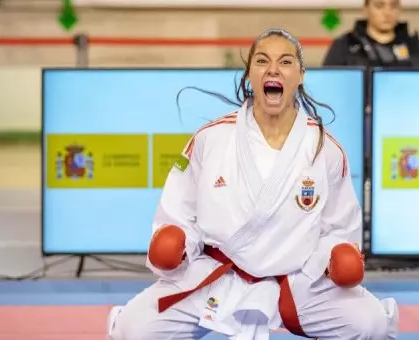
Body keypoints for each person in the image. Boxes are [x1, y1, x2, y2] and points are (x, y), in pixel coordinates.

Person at [108, 28, 399, 340]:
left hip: (297, 282)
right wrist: (178, 247)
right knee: (134, 329)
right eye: (262, 61)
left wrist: (333, 257)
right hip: (216, 277)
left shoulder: (325, 150)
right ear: (249, 75)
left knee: (370, 324)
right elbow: (179, 213)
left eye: (285, 62)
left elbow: (340, 228)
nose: (273, 69)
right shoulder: (210, 138)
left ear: (300, 75)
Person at [322, 0, 419, 68]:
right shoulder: (344, 47)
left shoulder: (417, 49)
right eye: (379, 5)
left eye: (393, 5)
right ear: (366, 8)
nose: (387, 12)